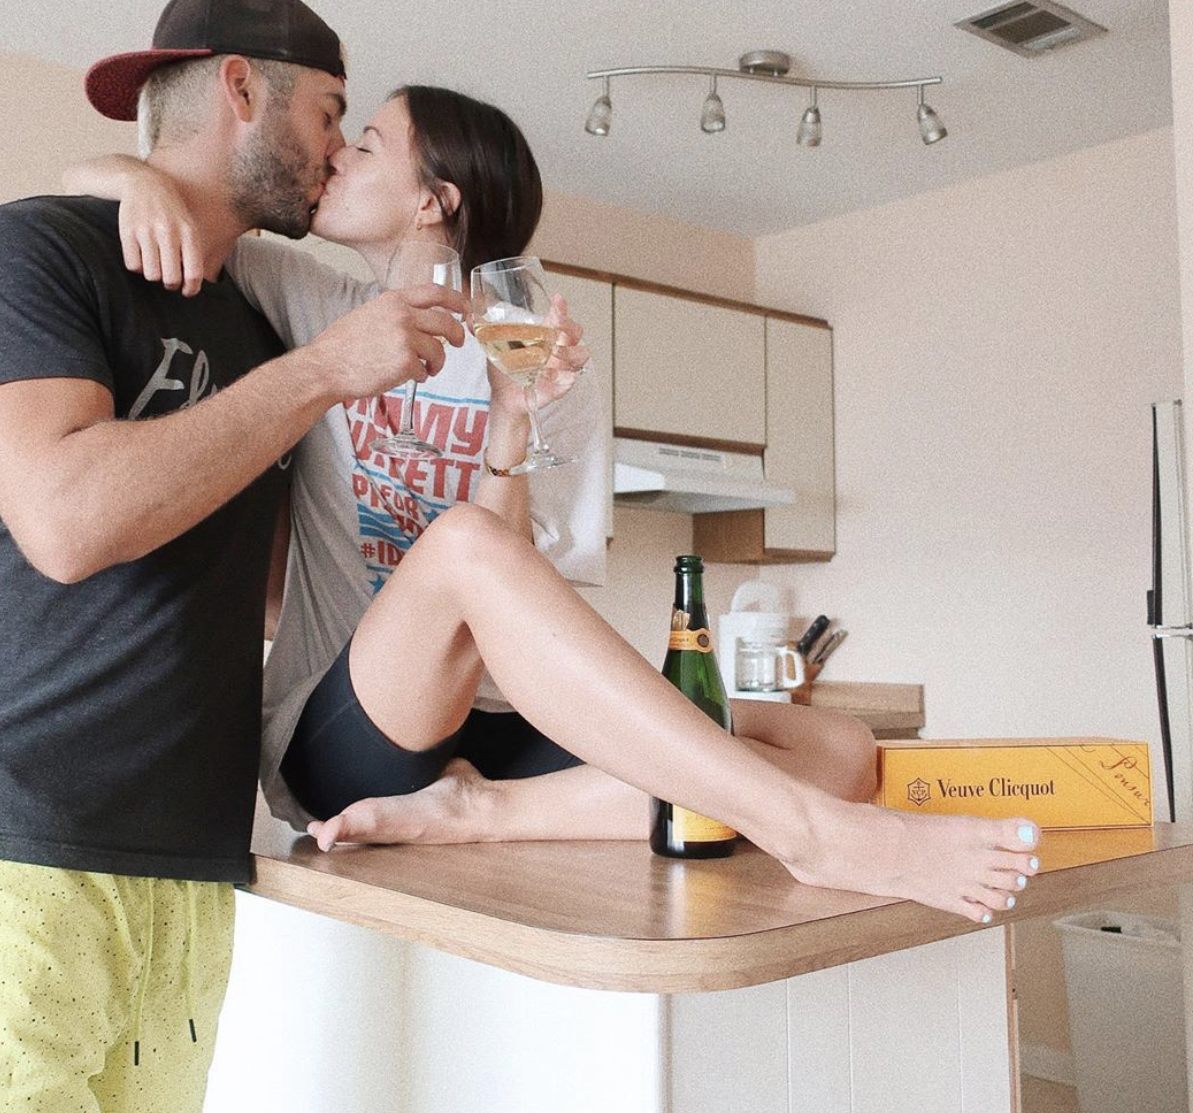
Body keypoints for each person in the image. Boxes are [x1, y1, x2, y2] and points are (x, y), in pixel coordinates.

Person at [67, 84, 1044, 931]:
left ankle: (484, 813)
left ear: (433, 200)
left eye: (365, 146)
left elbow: (510, 592)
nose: (335, 158)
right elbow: (83, 186)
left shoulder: (537, 355)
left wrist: (512, 421)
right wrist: (140, 181)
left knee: (835, 747)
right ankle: (810, 836)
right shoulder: (309, 300)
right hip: (348, 734)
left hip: (489, 727)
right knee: (459, 546)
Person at [0, 0, 469, 1113]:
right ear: (241, 87)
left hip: (190, 858)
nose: (335, 151)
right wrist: (326, 371)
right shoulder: (28, 248)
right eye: (328, 112)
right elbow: (67, 522)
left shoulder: (257, 317)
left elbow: (275, 589)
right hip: (5, 847)